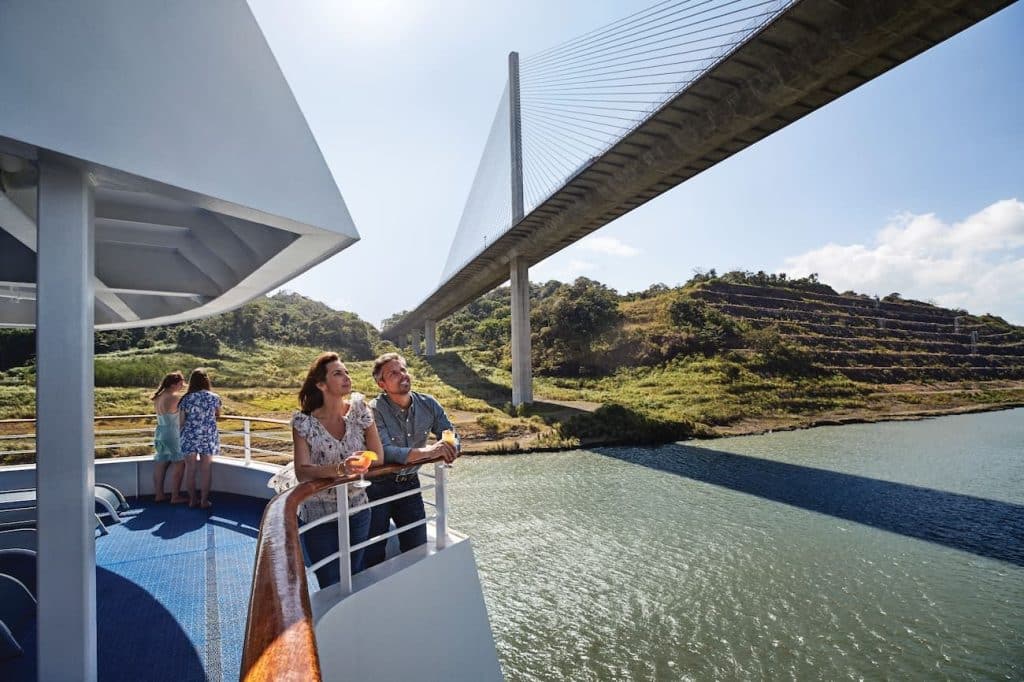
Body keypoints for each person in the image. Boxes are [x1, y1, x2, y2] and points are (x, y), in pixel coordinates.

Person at [291, 352, 383, 586]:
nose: (347, 377)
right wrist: (340, 468)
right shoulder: (304, 423)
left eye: (347, 372)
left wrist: (363, 460)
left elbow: (378, 456)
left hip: (358, 508)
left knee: (356, 573)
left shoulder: (360, 411)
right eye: (338, 373)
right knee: (330, 581)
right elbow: (302, 471)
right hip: (319, 514)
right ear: (321, 384)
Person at [365, 352, 458, 569]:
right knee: (373, 551)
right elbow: (386, 452)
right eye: (393, 373)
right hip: (378, 488)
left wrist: (451, 448)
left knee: (417, 547)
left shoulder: (428, 404)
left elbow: (450, 432)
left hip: (410, 485)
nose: (402, 375)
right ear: (382, 384)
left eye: (403, 370)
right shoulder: (374, 409)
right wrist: (430, 452)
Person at [178, 368, 221, 509]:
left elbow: (182, 422)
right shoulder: (214, 397)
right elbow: (217, 415)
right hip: (207, 436)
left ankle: (192, 500)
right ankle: (203, 501)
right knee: (206, 470)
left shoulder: (186, 398)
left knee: (190, 469)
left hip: (190, 436)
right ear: (206, 380)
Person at [151, 371, 188, 504]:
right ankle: (175, 497)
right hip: (173, 433)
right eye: (180, 384)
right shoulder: (174, 398)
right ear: (173, 384)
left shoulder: (158, 397)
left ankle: (159, 494)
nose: (182, 386)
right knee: (179, 464)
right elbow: (182, 420)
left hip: (161, 431)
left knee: (161, 464)